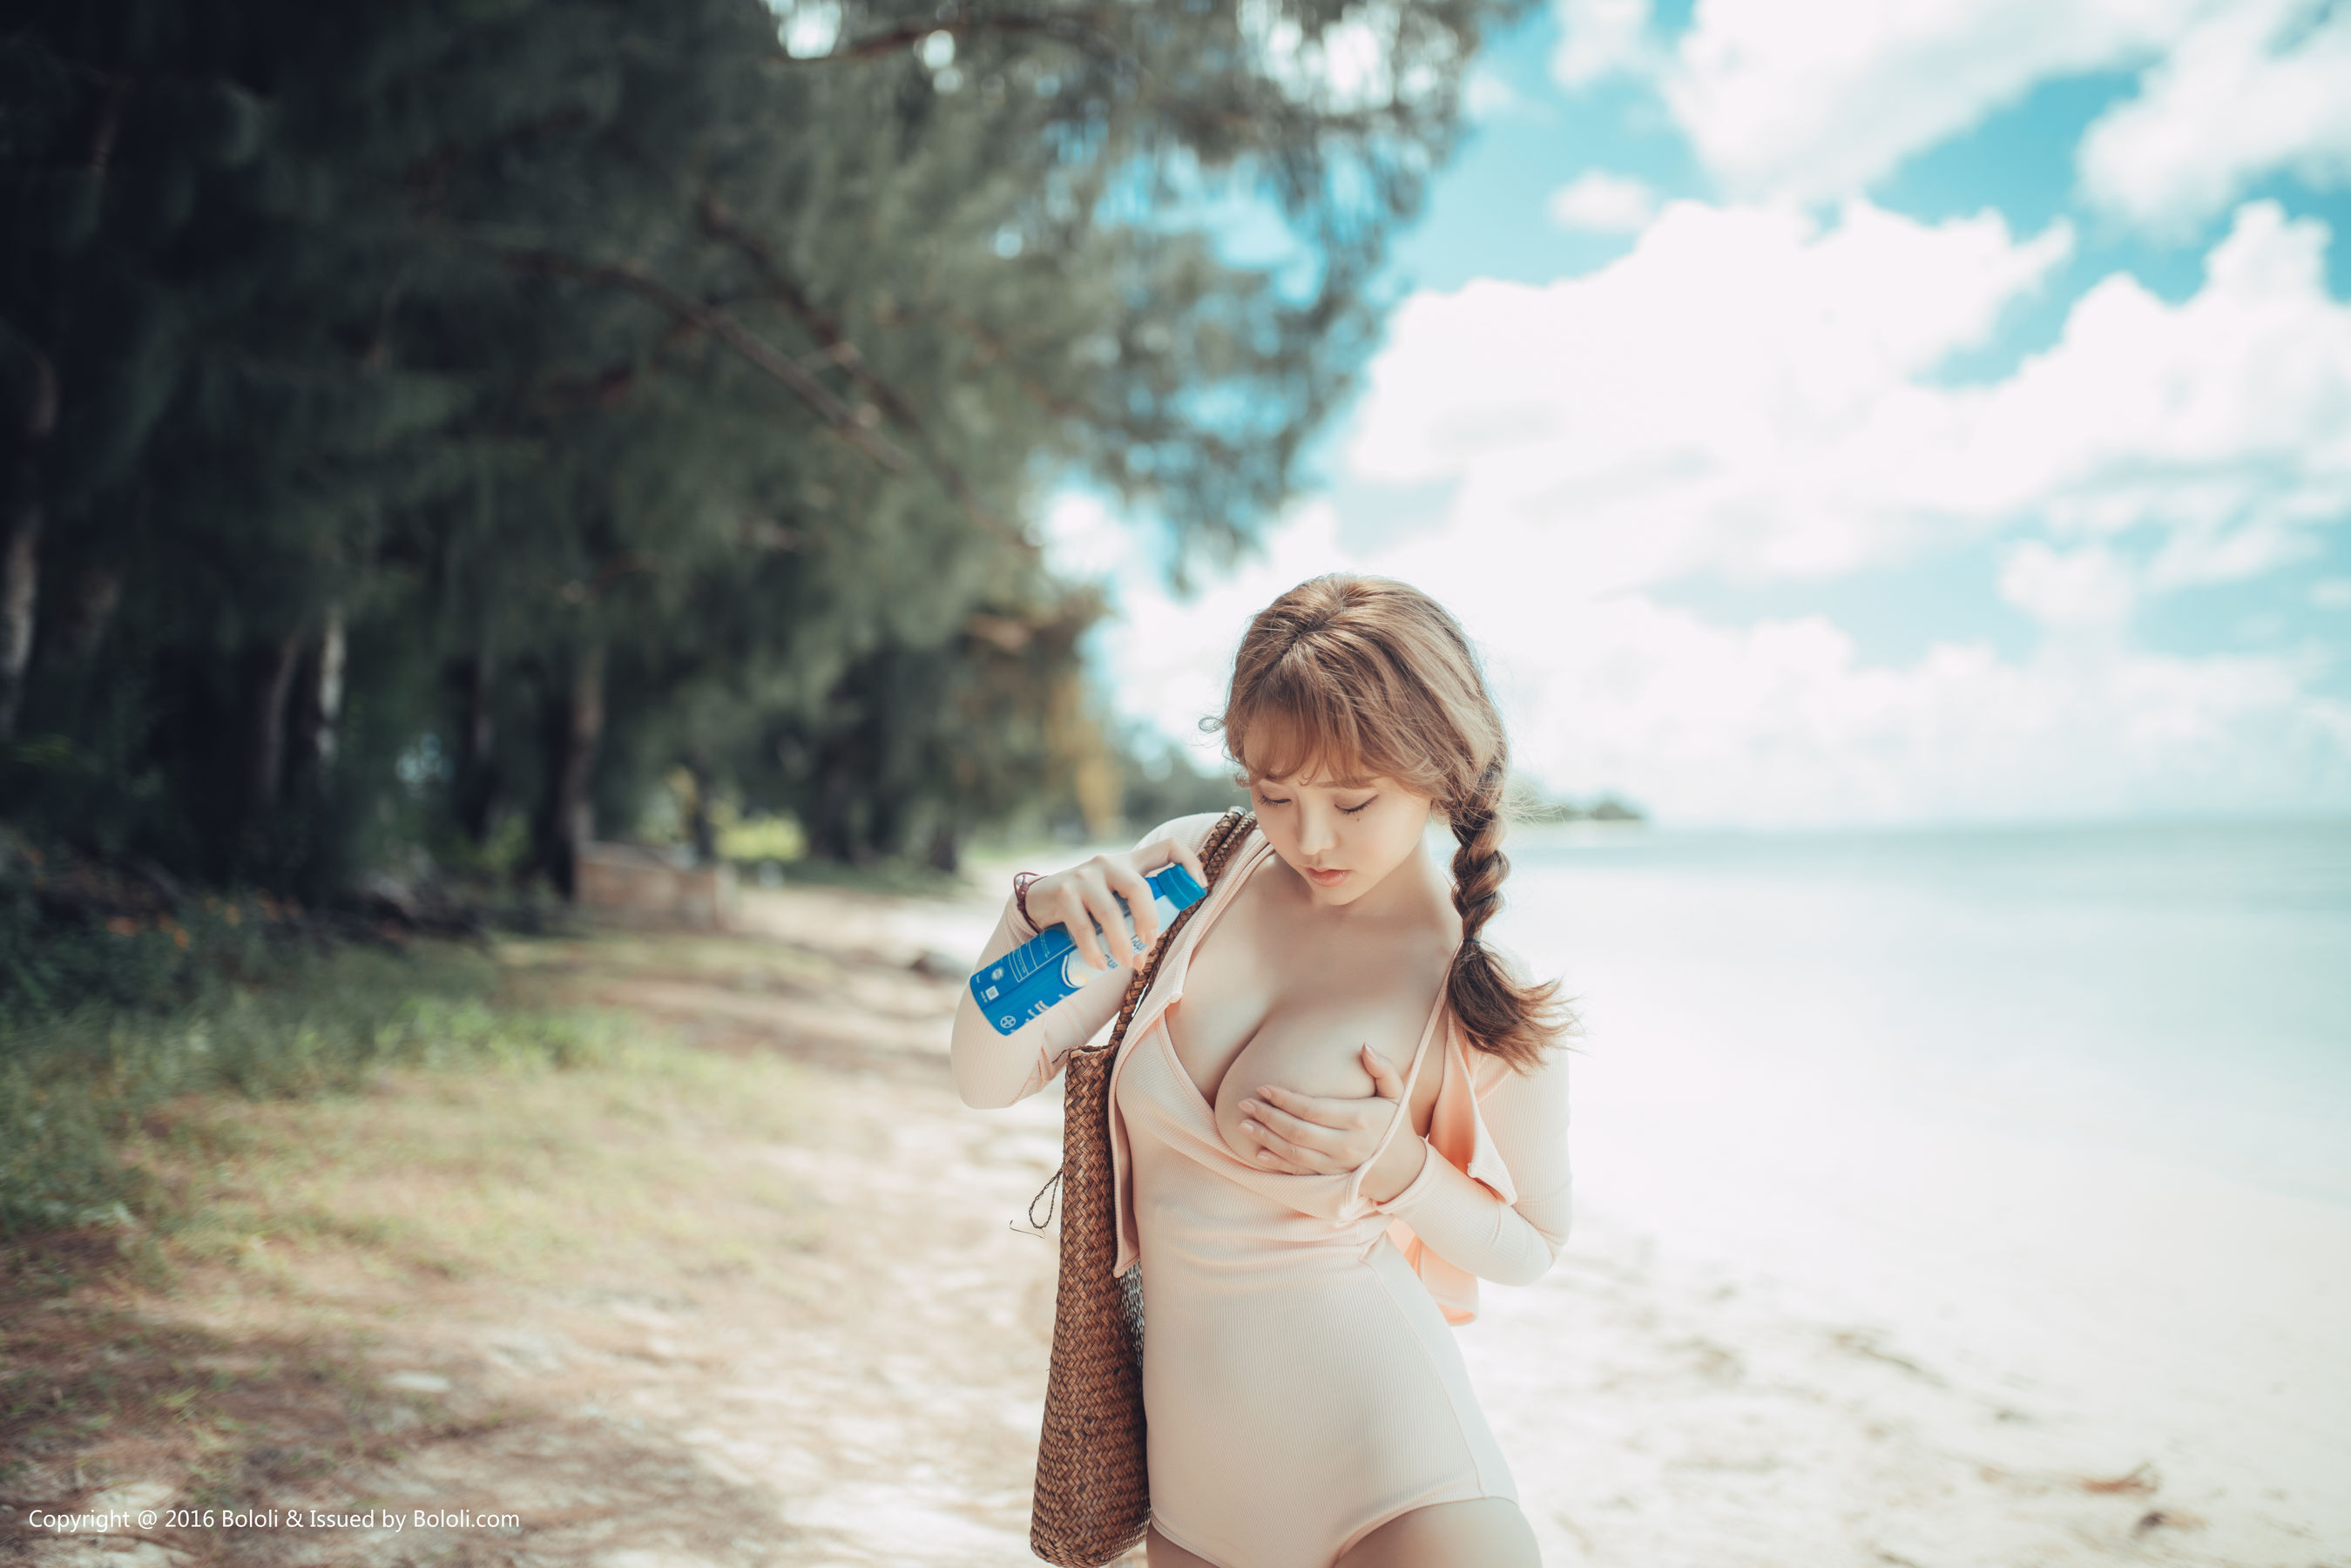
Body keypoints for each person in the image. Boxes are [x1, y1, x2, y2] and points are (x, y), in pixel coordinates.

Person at [952, 574, 1573, 1568]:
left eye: (1352, 800)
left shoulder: (1474, 990)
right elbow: (985, 1077)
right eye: (1272, 792)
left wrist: (1398, 1170)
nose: (1309, 837)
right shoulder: (1200, 869)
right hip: (1195, 1504)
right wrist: (1028, 919)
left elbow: (1534, 1245)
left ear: (1441, 769)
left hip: (1400, 1486)